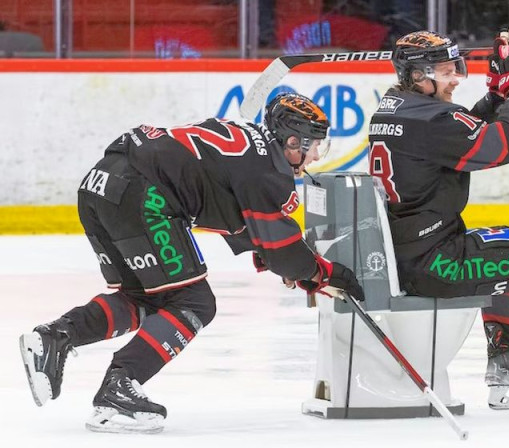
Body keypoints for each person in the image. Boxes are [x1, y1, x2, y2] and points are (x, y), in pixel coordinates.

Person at [18, 92, 364, 434]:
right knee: (194, 302)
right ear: (290, 140)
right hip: (145, 198)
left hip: (99, 187)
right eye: (312, 144)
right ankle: (118, 387)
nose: (315, 154)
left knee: (146, 297)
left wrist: (279, 260)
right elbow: (282, 248)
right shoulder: (269, 169)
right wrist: (323, 273)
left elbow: (232, 207)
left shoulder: (248, 142)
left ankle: (57, 336)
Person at [367, 28, 509, 416]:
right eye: (446, 69)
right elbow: (505, 145)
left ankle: (505, 370)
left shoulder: (393, 110)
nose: (456, 76)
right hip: (438, 265)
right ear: (419, 76)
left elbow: (459, 131)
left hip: (408, 258)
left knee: (503, 243)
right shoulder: (432, 119)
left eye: (457, 66)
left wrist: (496, 94)